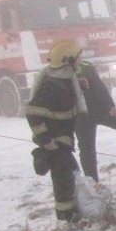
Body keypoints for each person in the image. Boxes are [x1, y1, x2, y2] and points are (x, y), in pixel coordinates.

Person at [26, 40, 84, 221]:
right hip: (55, 143)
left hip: (63, 142)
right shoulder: (52, 87)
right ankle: (66, 215)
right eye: (78, 59)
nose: (80, 62)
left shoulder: (65, 81)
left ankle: (71, 213)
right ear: (68, 61)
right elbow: (32, 112)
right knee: (64, 179)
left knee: (71, 175)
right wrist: (46, 140)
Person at [73, 57, 116, 183]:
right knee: (88, 150)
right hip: (84, 114)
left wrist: (110, 105)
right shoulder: (69, 71)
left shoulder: (83, 66)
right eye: (78, 56)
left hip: (92, 111)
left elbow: (99, 87)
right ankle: (93, 182)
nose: (80, 58)